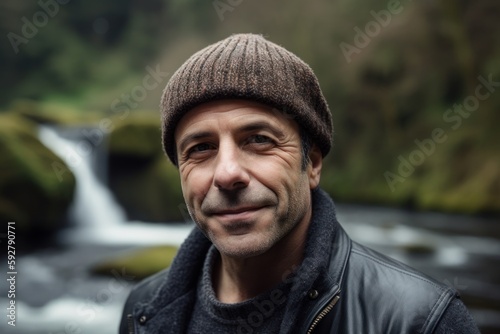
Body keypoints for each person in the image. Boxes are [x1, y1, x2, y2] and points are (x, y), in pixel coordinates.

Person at [119, 33, 480, 334]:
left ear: (313, 164)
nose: (227, 173)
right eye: (200, 148)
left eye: (259, 140)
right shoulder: (143, 311)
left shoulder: (419, 320)